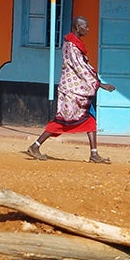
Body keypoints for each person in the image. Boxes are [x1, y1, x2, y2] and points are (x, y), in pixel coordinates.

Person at [28, 16, 115, 163]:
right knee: (62, 121)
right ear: (77, 27)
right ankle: (35, 146)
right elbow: (81, 68)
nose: (87, 29)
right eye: (85, 27)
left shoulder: (75, 45)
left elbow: (84, 66)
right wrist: (99, 84)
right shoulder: (72, 46)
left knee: (90, 119)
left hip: (78, 89)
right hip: (72, 91)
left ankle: (94, 154)